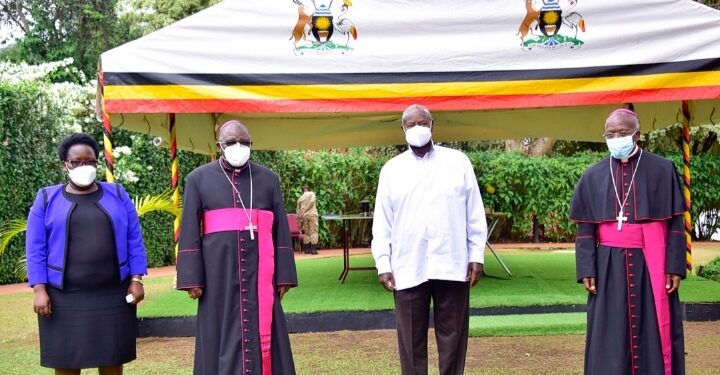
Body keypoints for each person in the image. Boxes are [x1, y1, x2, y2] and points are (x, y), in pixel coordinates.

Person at [371, 104, 487, 375]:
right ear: (402, 129)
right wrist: (383, 263)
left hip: (452, 264)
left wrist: (476, 256)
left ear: (433, 125)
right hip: (408, 267)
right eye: (410, 125)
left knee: (454, 338)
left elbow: (474, 214)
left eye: (422, 123)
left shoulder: (458, 162)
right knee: (411, 341)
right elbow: (382, 222)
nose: (417, 129)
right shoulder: (391, 170)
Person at [570, 108, 686, 375]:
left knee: (654, 330)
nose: (616, 138)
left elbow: (676, 224)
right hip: (608, 265)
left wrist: (675, 266)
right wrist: (586, 268)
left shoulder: (662, 169)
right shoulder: (592, 175)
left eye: (622, 133)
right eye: (610, 134)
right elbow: (586, 228)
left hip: (651, 264)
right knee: (609, 333)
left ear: (637, 134)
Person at [176, 120, 298, 375]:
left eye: (244, 142)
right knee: (218, 331)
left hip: (260, 272)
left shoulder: (268, 179)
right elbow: (189, 229)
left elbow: (281, 231)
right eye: (231, 142)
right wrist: (191, 278)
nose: (238, 146)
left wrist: (284, 275)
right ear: (220, 145)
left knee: (265, 330)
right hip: (217, 272)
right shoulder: (198, 179)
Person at [25, 133, 148, 375]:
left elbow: (134, 239)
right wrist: (39, 289)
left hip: (113, 294)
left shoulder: (119, 194)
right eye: (77, 162)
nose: (84, 166)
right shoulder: (46, 198)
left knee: (112, 360)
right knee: (67, 363)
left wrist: (136, 279)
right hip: (63, 298)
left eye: (89, 161)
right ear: (65, 165)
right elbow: (35, 246)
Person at [296, 185, 319, 254]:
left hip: (304, 216)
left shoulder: (300, 198)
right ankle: (313, 249)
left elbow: (298, 211)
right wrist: (307, 209)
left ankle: (306, 249)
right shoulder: (312, 194)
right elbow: (312, 202)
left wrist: (299, 223)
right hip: (312, 214)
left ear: (303, 190)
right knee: (314, 231)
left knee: (306, 232)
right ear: (309, 189)